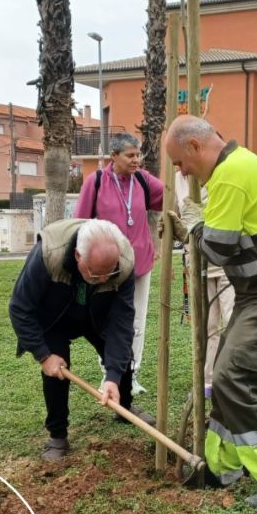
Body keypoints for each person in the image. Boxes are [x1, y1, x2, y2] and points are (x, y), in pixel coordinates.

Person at [165, 115, 257, 507]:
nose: (182, 172)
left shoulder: (230, 176)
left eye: (180, 162)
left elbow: (219, 249)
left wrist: (194, 226)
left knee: (236, 380)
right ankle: (223, 467)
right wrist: (198, 225)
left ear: (195, 146)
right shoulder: (238, 165)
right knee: (226, 379)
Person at [9, 217, 155, 463]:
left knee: (122, 353)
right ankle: (58, 436)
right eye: (96, 274)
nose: (103, 279)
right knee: (56, 372)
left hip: (98, 313)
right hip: (55, 316)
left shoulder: (124, 262)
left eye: (109, 273)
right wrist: (44, 355)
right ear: (78, 256)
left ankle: (124, 406)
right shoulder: (48, 253)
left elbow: (121, 323)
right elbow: (20, 307)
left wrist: (112, 377)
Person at [75, 132, 163, 397]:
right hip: (107, 266)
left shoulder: (143, 180)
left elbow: (170, 195)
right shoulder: (96, 182)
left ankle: (131, 375)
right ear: (114, 156)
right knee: (107, 321)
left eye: (138, 155)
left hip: (139, 264)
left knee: (136, 320)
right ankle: (110, 374)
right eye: (130, 155)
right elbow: (80, 222)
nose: (136, 160)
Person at [174, 169, 235, 398]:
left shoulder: (219, 174)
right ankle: (207, 380)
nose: (180, 166)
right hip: (198, 261)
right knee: (207, 325)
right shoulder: (177, 179)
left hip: (227, 261)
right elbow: (176, 217)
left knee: (232, 319)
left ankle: (233, 379)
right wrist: (173, 230)